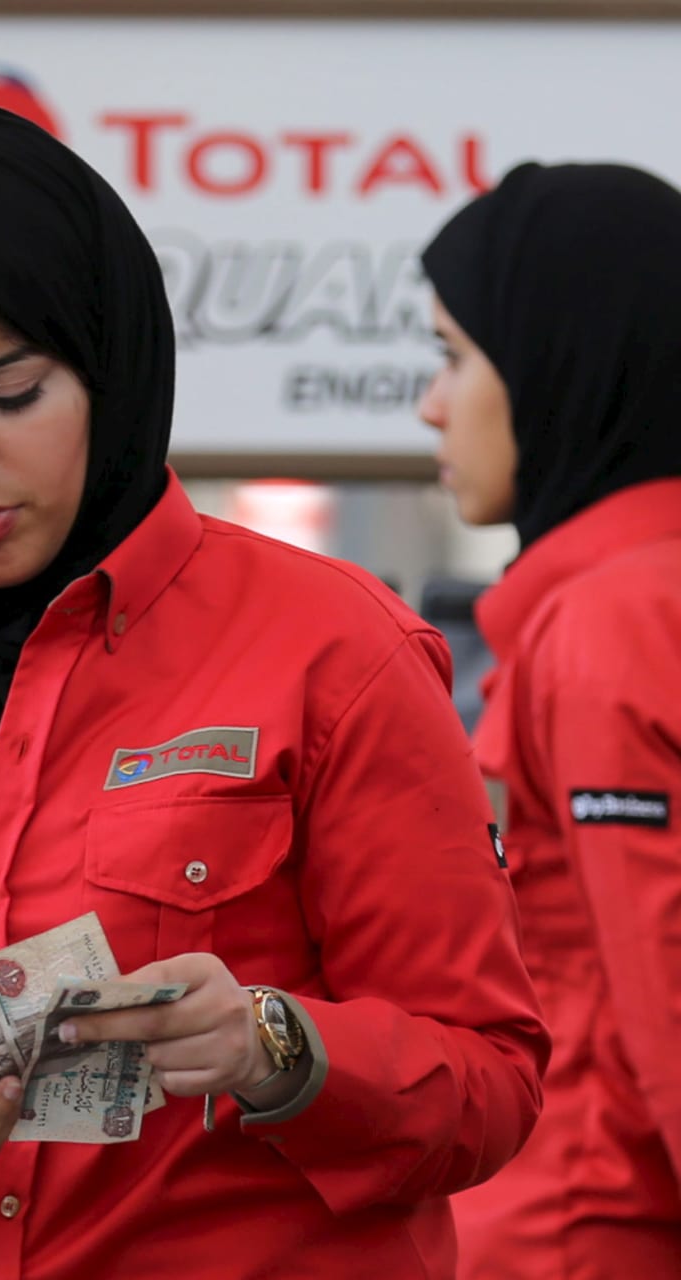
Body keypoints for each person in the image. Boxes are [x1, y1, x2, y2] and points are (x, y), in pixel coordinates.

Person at [0, 105, 549, 1279]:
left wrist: (274, 1045)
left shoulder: (331, 647)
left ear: (110, 362)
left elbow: (489, 1081)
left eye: (12, 392)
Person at [419, 162, 681, 1277]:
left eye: (455, 356)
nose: (431, 402)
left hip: (587, 1226)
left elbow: (662, 976)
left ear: (561, 357)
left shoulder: (608, 623)